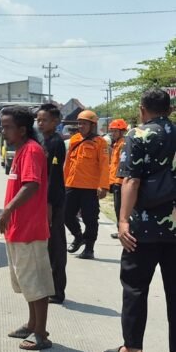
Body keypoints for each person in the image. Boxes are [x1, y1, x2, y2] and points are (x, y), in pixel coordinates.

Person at [103, 88, 176, 352]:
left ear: (142, 109)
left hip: (142, 229)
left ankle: (132, 349)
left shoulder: (139, 134)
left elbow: (131, 181)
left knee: (135, 287)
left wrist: (122, 221)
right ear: (168, 109)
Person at [0, 106, 54, 351]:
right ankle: (32, 324)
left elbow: (31, 185)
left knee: (36, 283)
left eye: (7, 126)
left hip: (29, 229)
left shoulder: (31, 150)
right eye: (2, 125)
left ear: (22, 129)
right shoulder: (21, 150)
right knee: (26, 282)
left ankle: (41, 332)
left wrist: (7, 210)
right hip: (18, 228)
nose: (2, 130)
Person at [63, 110, 109, 259]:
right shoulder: (74, 139)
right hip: (72, 185)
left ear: (92, 125)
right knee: (66, 214)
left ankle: (89, 249)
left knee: (90, 219)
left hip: (90, 188)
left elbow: (104, 165)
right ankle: (78, 236)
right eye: (79, 123)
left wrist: (104, 186)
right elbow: (68, 163)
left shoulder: (100, 142)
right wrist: (63, 183)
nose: (80, 126)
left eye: (84, 123)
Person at [36, 104, 67, 304]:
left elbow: (54, 177)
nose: (40, 123)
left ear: (55, 122)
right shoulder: (44, 140)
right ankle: (49, 287)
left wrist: (48, 204)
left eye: (44, 120)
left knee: (56, 245)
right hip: (46, 200)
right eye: (38, 119)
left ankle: (57, 291)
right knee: (47, 246)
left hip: (54, 201)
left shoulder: (55, 142)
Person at [107, 119, 130, 239]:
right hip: (115, 181)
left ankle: (122, 230)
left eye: (115, 131)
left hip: (120, 182)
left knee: (120, 208)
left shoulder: (123, 144)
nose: (112, 133)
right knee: (117, 207)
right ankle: (120, 230)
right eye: (112, 131)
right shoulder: (116, 144)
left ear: (122, 131)